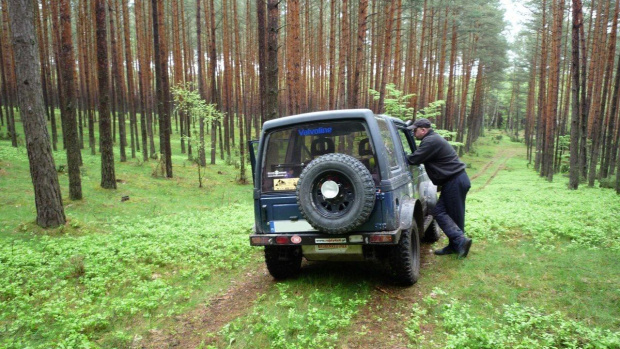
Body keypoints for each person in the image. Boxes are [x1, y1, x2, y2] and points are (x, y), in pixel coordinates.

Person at [406, 118, 472, 258]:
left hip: (454, 180)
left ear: (423, 130)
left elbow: (413, 159)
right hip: (457, 179)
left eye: (415, 130)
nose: (413, 133)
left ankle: (460, 241)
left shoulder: (430, 141)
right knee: (454, 214)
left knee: (439, 212)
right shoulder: (432, 139)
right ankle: (455, 246)